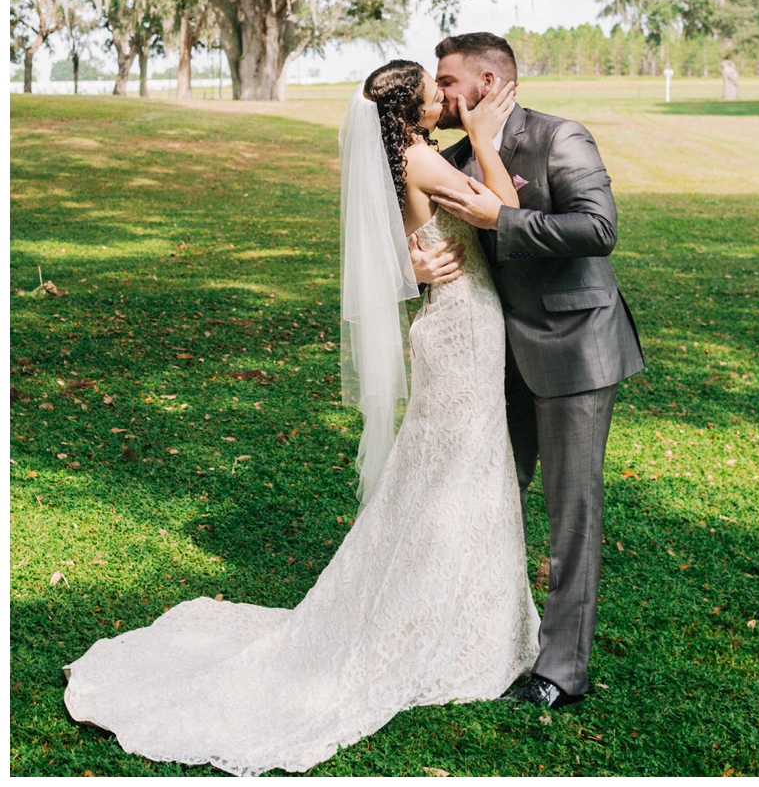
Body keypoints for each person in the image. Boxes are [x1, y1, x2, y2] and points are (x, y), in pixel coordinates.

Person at [63, 59, 540, 776]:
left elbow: (397, 248)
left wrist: (415, 260)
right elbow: (504, 210)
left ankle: (462, 609)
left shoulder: (398, 156)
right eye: (437, 93)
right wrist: (482, 132)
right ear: (413, 109)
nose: (448, 98)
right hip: (466, 329)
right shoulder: (425, 160)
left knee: (449, 471)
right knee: (461, 471)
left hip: (451, 326)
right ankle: (454, 627)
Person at [410, 32, 645, 710]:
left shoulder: (559, 137)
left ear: (488, 81)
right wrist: (414, 268)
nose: (440, 93)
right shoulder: (447, 157)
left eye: (449, 81)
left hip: (576, 347)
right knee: (488, 499)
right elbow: (413, 243)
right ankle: (487, 642)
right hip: (494, 359)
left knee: (570, 513)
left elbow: (597, 229)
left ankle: (562, 674)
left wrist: (503, 218)